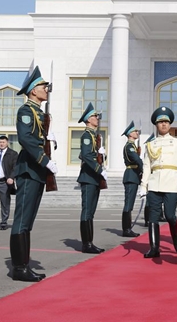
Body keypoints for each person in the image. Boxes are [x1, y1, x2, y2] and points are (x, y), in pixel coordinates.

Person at [9, 65, 58, 282]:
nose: (46, 89)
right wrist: (45, 160)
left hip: (37, 171)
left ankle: (24, 264)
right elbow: (26, 139)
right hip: (29, 169)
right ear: (32, 91)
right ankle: (19, 268)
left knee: (28, 221)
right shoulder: (26, 111)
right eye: (42, 86)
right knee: (21, 220)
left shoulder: (39, 112)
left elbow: (38, 139)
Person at [140, 106, 177, 258]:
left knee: (170, 215)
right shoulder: (150, 144)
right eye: (161, 122)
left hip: (171, 183)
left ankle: (176, 238)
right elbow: (147, 166)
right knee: (153, 216)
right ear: (156, 125)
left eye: (166, 122)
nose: (164, 125)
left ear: (170, 124)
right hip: (154, 183)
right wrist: (143, 185)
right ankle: (154, 248)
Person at [77, 103, 108, 254]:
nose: (97, 118)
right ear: (89, 119)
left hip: (94, 178)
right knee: (87, 211)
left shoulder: (94, 136)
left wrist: (102, 155)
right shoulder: (87, 136)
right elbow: (86, 156)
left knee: (91, 212)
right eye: (95, 116)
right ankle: (86, 244)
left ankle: (90, 242)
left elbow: (93, 155)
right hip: (88, 177)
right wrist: (99, 169)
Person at [121, 120, 142, 238]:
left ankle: (127, 228)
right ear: (130, 134)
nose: (137, 132)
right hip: (131, 175)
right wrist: (144, 169)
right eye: (135, 131)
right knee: (128, 204)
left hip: (133, 175)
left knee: (130, 203)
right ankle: (126, 229)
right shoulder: (129, 146)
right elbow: (137, 160)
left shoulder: (132, 146)